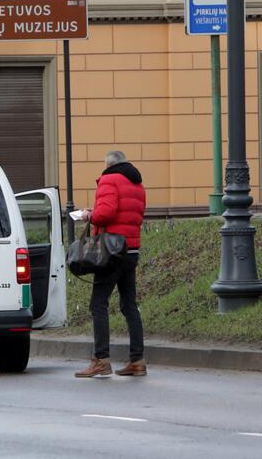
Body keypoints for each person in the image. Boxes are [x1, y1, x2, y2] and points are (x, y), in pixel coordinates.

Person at [75, 151, 147, 378]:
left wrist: (89, 215)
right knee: (129, 305)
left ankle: (101, 359)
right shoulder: (137, 184)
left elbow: (105, 213)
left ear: (108, 164)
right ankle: (137, 360)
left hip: (112, 252)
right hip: (131, 250)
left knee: (98, 304)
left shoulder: (109, 179)